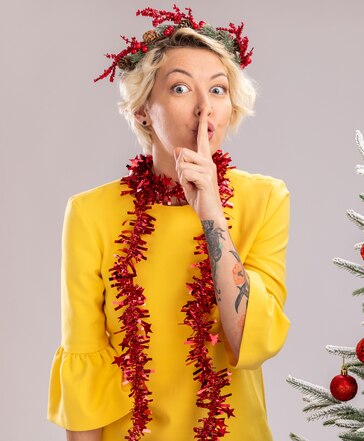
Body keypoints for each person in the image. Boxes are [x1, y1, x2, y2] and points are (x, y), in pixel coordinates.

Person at [47, 5, 290, 440]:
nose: (204, 108)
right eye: (181, 88)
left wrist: (211, 211)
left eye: (218, 90)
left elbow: (250, 342)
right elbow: (84, 365)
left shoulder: (264, 199)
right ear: (143, 110)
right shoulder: (90, 213)